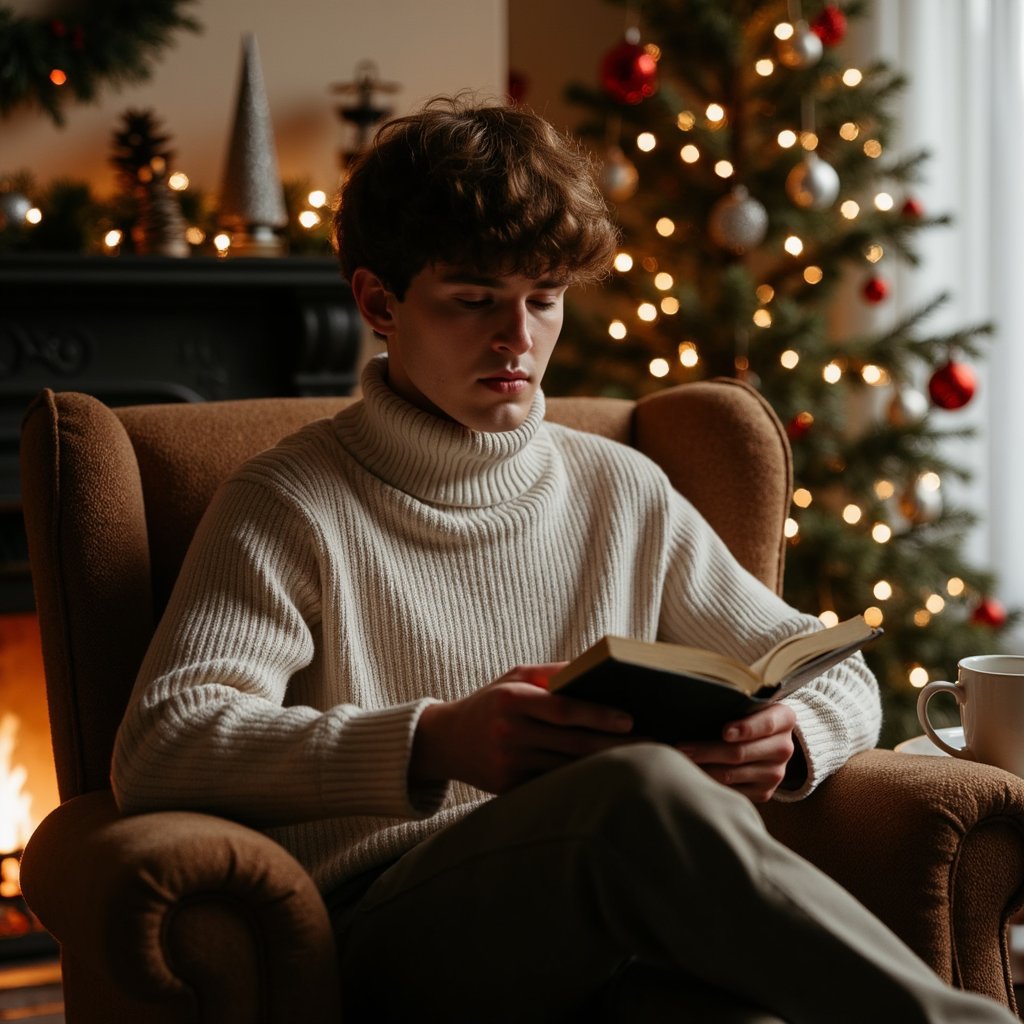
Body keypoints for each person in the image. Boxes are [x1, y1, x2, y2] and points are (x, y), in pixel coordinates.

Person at [111, 97, 1018, 1023]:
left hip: (614, 929)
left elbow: (832, 670)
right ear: (379, 301)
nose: (519, 340)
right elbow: (162, 742)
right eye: (474, 302)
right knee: (634, 792)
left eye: (543, 300)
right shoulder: (288, 502)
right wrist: (432, 740)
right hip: (387, 928)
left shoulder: (622, 488)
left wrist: (791, 740)